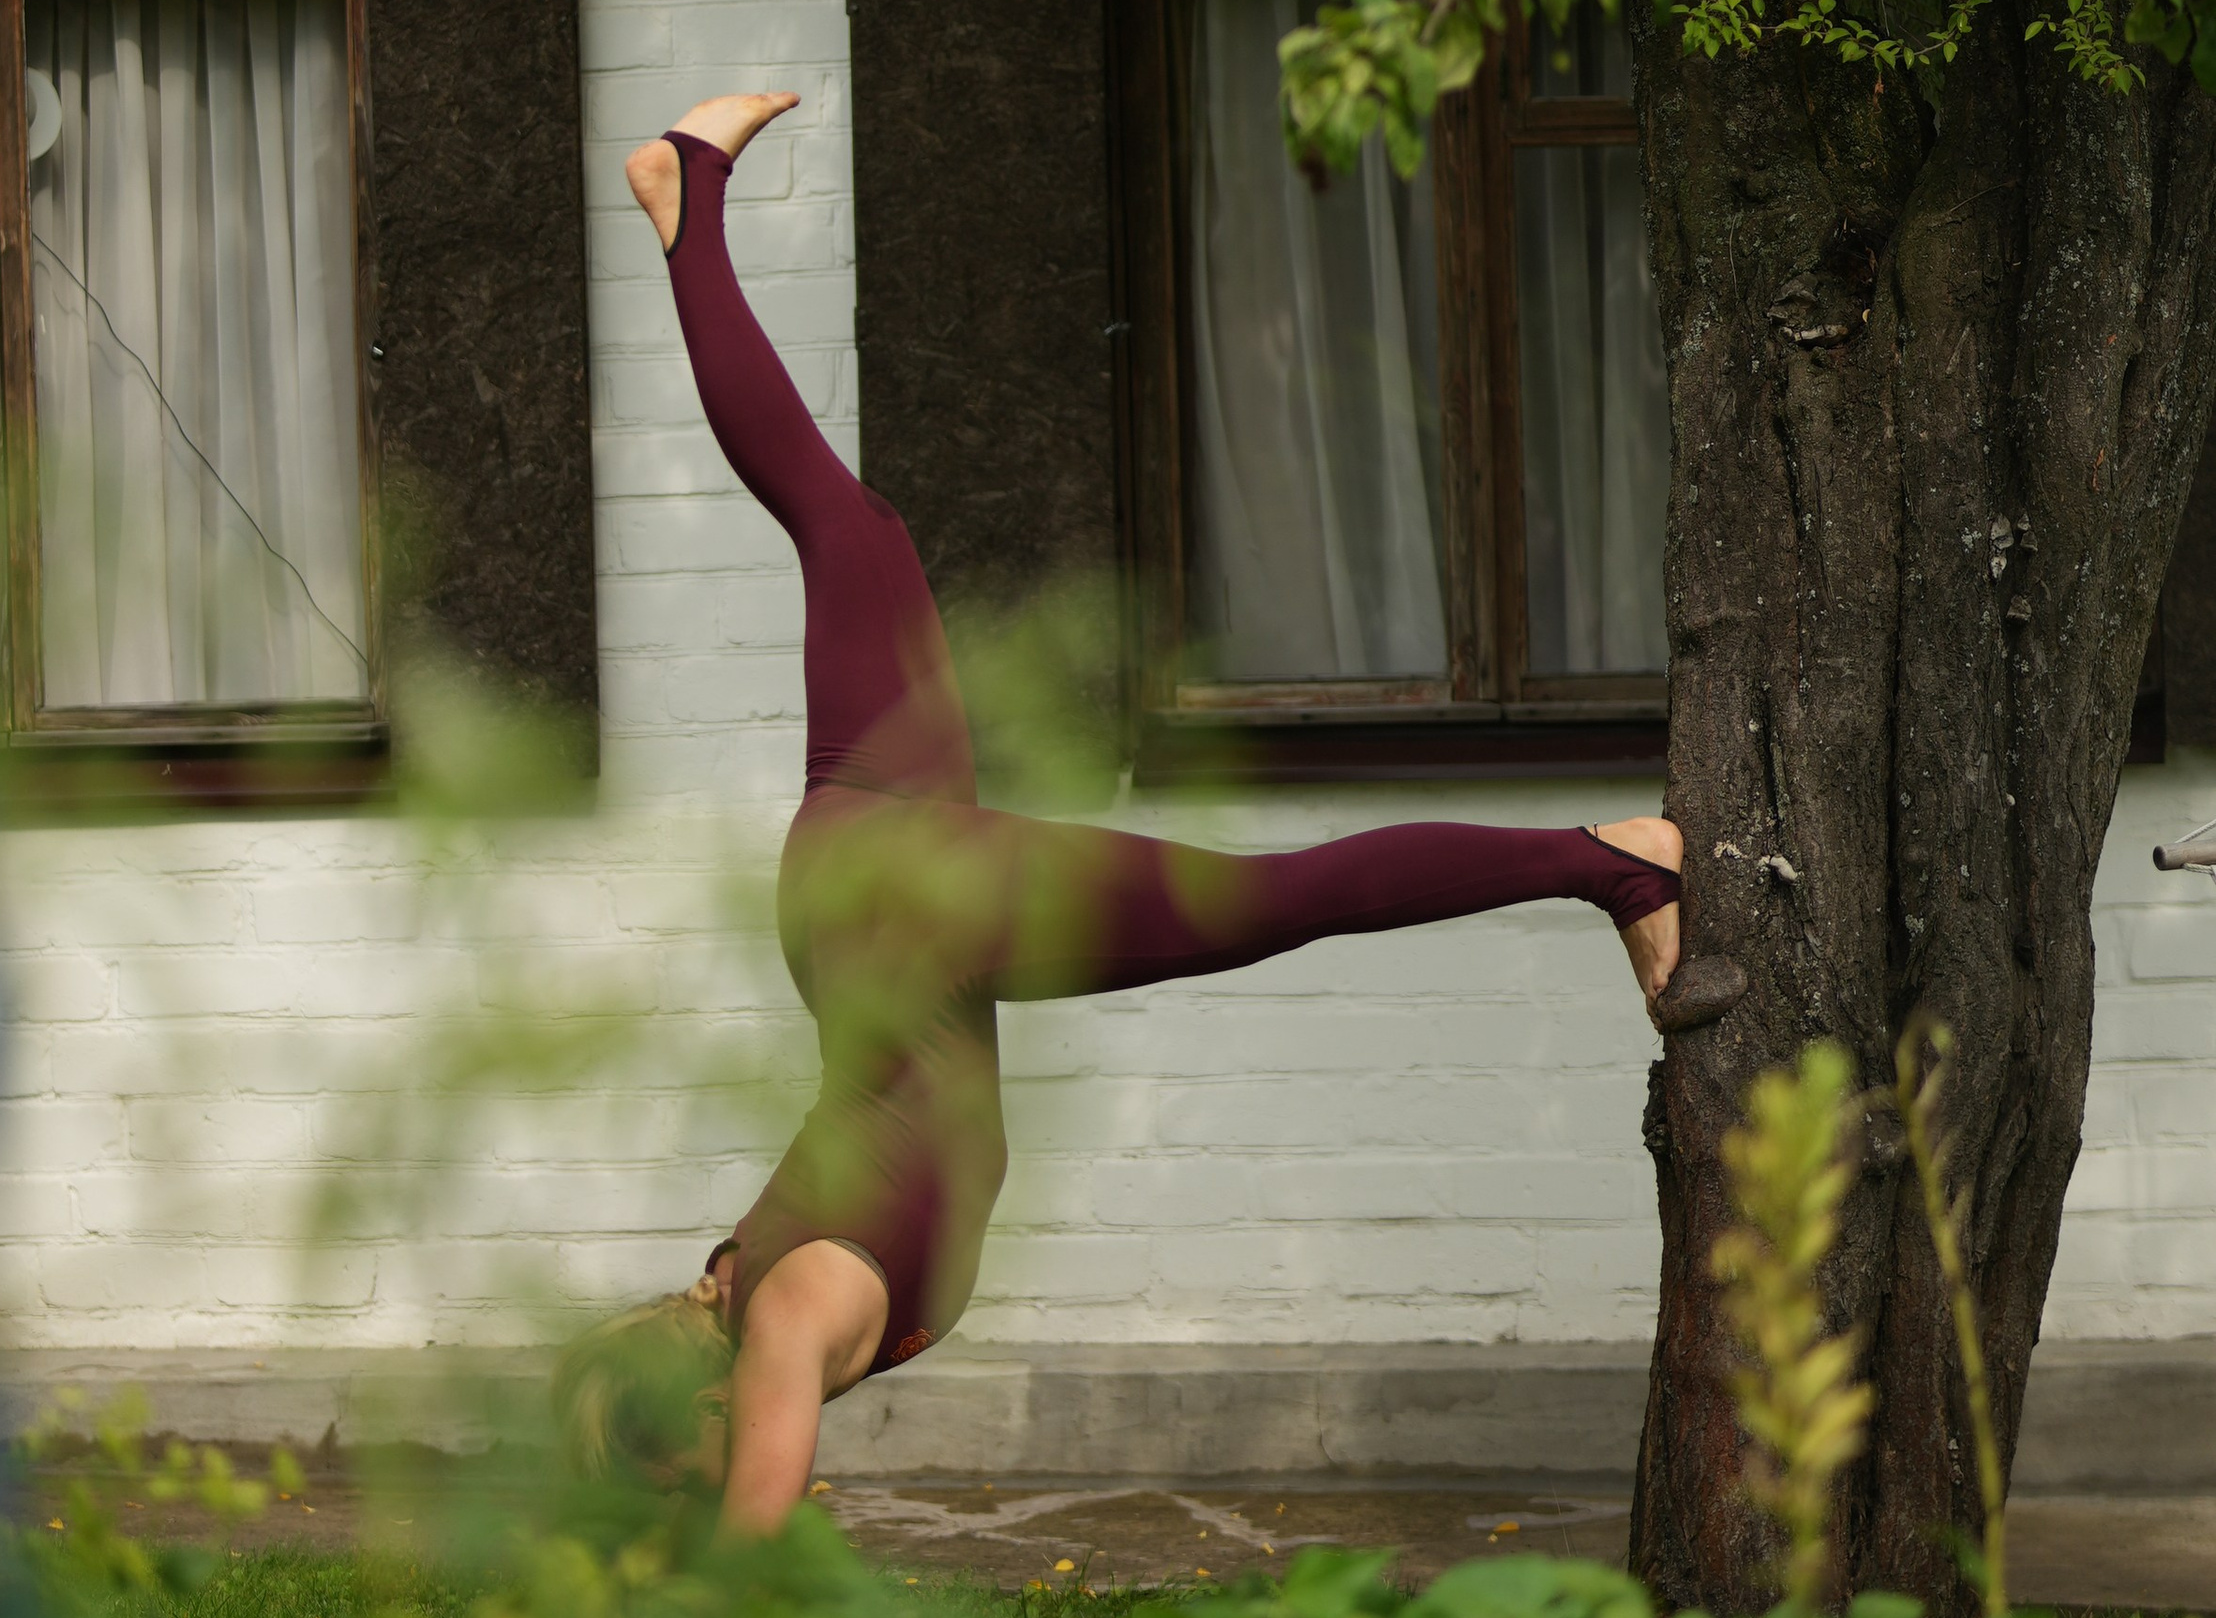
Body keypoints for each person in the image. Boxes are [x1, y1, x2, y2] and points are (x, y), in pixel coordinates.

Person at [553, 92, 1728, 1536]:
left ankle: (1614, 866)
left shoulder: (787, 1314)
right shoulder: (745, 1290)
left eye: (699, 1465)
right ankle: (691, 204)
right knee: (853, 534)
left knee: (1275, 899)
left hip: (913, 909)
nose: (736, 1471)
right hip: (865, 884)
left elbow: (756, 1511)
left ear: (710, 1416)